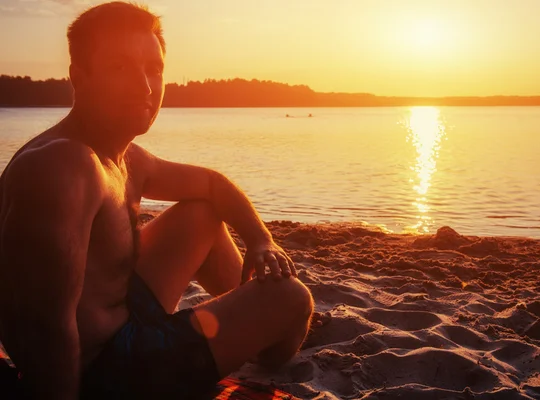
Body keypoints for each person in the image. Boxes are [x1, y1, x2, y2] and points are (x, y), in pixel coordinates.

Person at [0, 2, 314, 399]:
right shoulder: (63, 165)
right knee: (292, 297)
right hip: (105, 369)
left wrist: (260, 239)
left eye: (154, 69)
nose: (145, 87)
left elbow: (213, 184)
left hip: (125, 317)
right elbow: (44, 328)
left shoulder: (125, 157)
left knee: (201, 212)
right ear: (79, 78)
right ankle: (268, 335)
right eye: (120, 68)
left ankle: (252, 316)